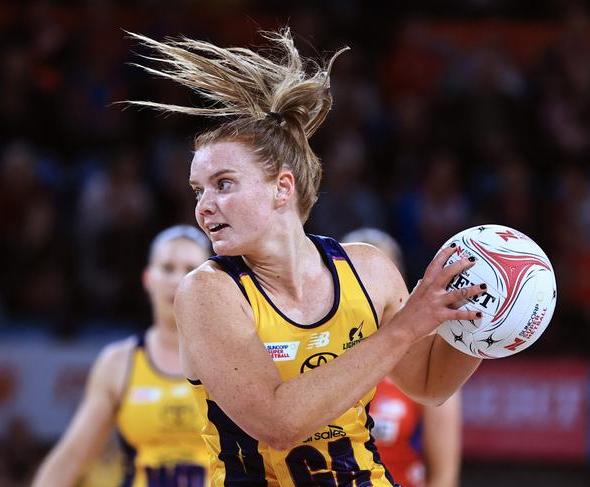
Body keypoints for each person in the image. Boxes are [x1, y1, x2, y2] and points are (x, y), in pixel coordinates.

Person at [127, 29, 485, 486]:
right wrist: (408, 326)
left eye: (223, 184)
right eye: (198, 190)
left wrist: (488, 327)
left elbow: (431, 384)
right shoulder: (208, 291)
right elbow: (279, 425)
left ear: (282, 187)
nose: (204, 206)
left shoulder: (369, 270)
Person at [32, 225, 212, 487]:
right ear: (148, 279)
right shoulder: (118, 362)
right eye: (168, 268)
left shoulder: (235, 357)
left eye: (189, 269)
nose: (177, 280)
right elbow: (71, 457)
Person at [343, 228, 462, 487]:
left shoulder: (425, 359)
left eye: (376, 278)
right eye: (356, 277)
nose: (367, 290)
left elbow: (443, 477)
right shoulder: (319, 353)